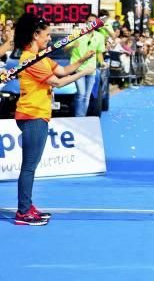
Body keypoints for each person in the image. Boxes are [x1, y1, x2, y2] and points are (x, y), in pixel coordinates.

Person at [13, 13, 96, 225]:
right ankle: (23, 212)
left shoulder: (41, 58)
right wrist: (85, 72)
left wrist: (82, 60)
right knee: (29, 166)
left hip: (37, 114)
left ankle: (27, 205)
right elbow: (57, 82)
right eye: (47, 35)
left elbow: (64, 69)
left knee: (32, 165)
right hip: (32, 114)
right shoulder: (29, 60)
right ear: (35, 35)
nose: (49, 38)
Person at [65, 13, 108, 117]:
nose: (92, 24)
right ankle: (79, 118)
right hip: (78, 69)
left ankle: (82, 117)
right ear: (85, 22)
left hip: (91, 70)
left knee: (87, 96)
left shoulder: (100, 36)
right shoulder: (76, 33)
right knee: (81, 94)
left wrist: (102, 62)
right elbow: (65, 49)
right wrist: (72, 46)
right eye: (89, 21)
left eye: (94, 22)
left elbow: (99, 53)